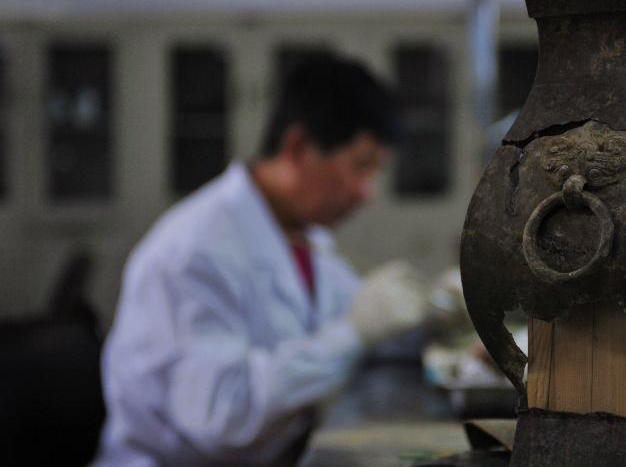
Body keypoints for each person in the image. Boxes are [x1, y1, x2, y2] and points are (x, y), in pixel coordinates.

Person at [96, 54, 430, 466]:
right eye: (360, 167)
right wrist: (352, 335)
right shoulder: (194, 251)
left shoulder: (301, 236)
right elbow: (224, 417)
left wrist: (436, 313)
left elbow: (365, 317)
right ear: (299, 146)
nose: (367, 193)